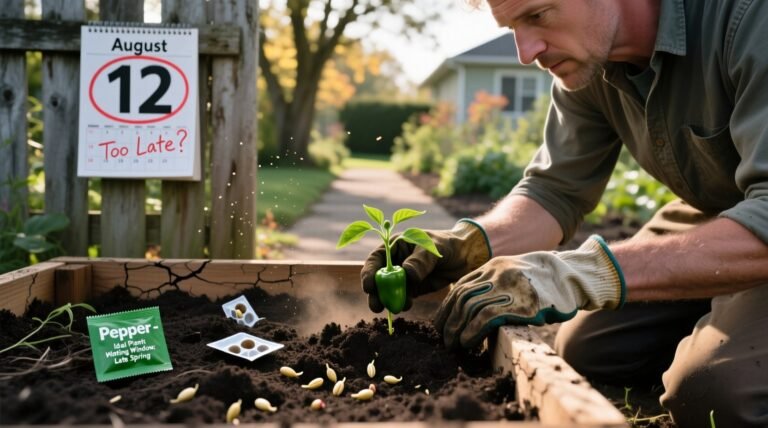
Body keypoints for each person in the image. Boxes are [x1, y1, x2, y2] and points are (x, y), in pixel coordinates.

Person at [360, 0, 768, 426]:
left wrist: (581, 272)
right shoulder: (592, 61)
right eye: (512, 27)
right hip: (724, 212)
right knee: (590, 349)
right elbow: (554, 191)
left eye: (537, 15)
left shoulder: (748, 18)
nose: (526, 51)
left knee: (715, 392)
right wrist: (468, 245)